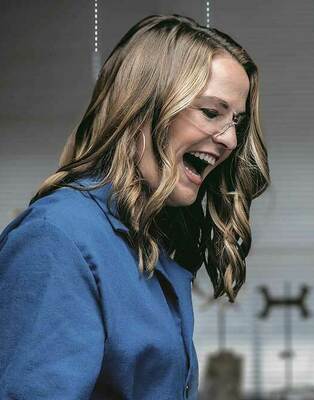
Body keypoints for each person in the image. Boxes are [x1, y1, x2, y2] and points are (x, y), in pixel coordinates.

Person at [0, 14, 270, 399]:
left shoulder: (147, 244)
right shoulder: (57, 238)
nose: (229, 139)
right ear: (143, 106)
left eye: (237, 122)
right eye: (212, 112)